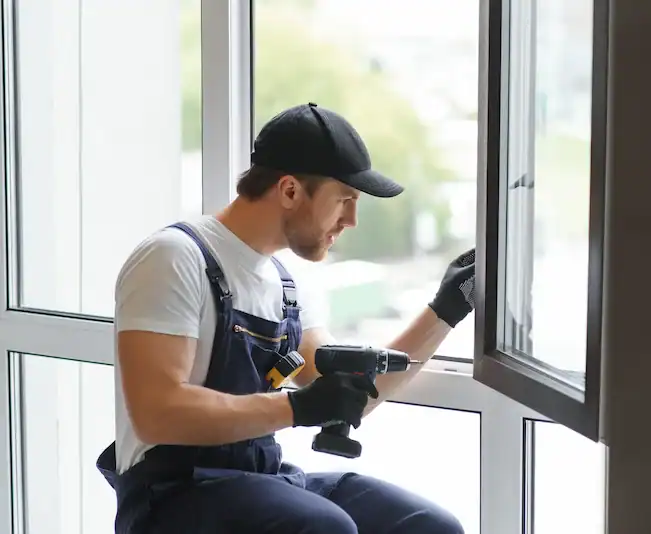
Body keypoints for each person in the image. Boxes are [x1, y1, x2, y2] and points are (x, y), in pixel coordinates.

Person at [96, 102, 475, 534]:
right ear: (290, 191)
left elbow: (351, 395)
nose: (352, 220)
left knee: (426, 526)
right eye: (345, 200)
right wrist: (295, 407)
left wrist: (447, 309)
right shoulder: (174, 258)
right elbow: (156, 413)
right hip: (171, 496)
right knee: (325, 528)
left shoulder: (286, 285)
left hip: (262, 481)